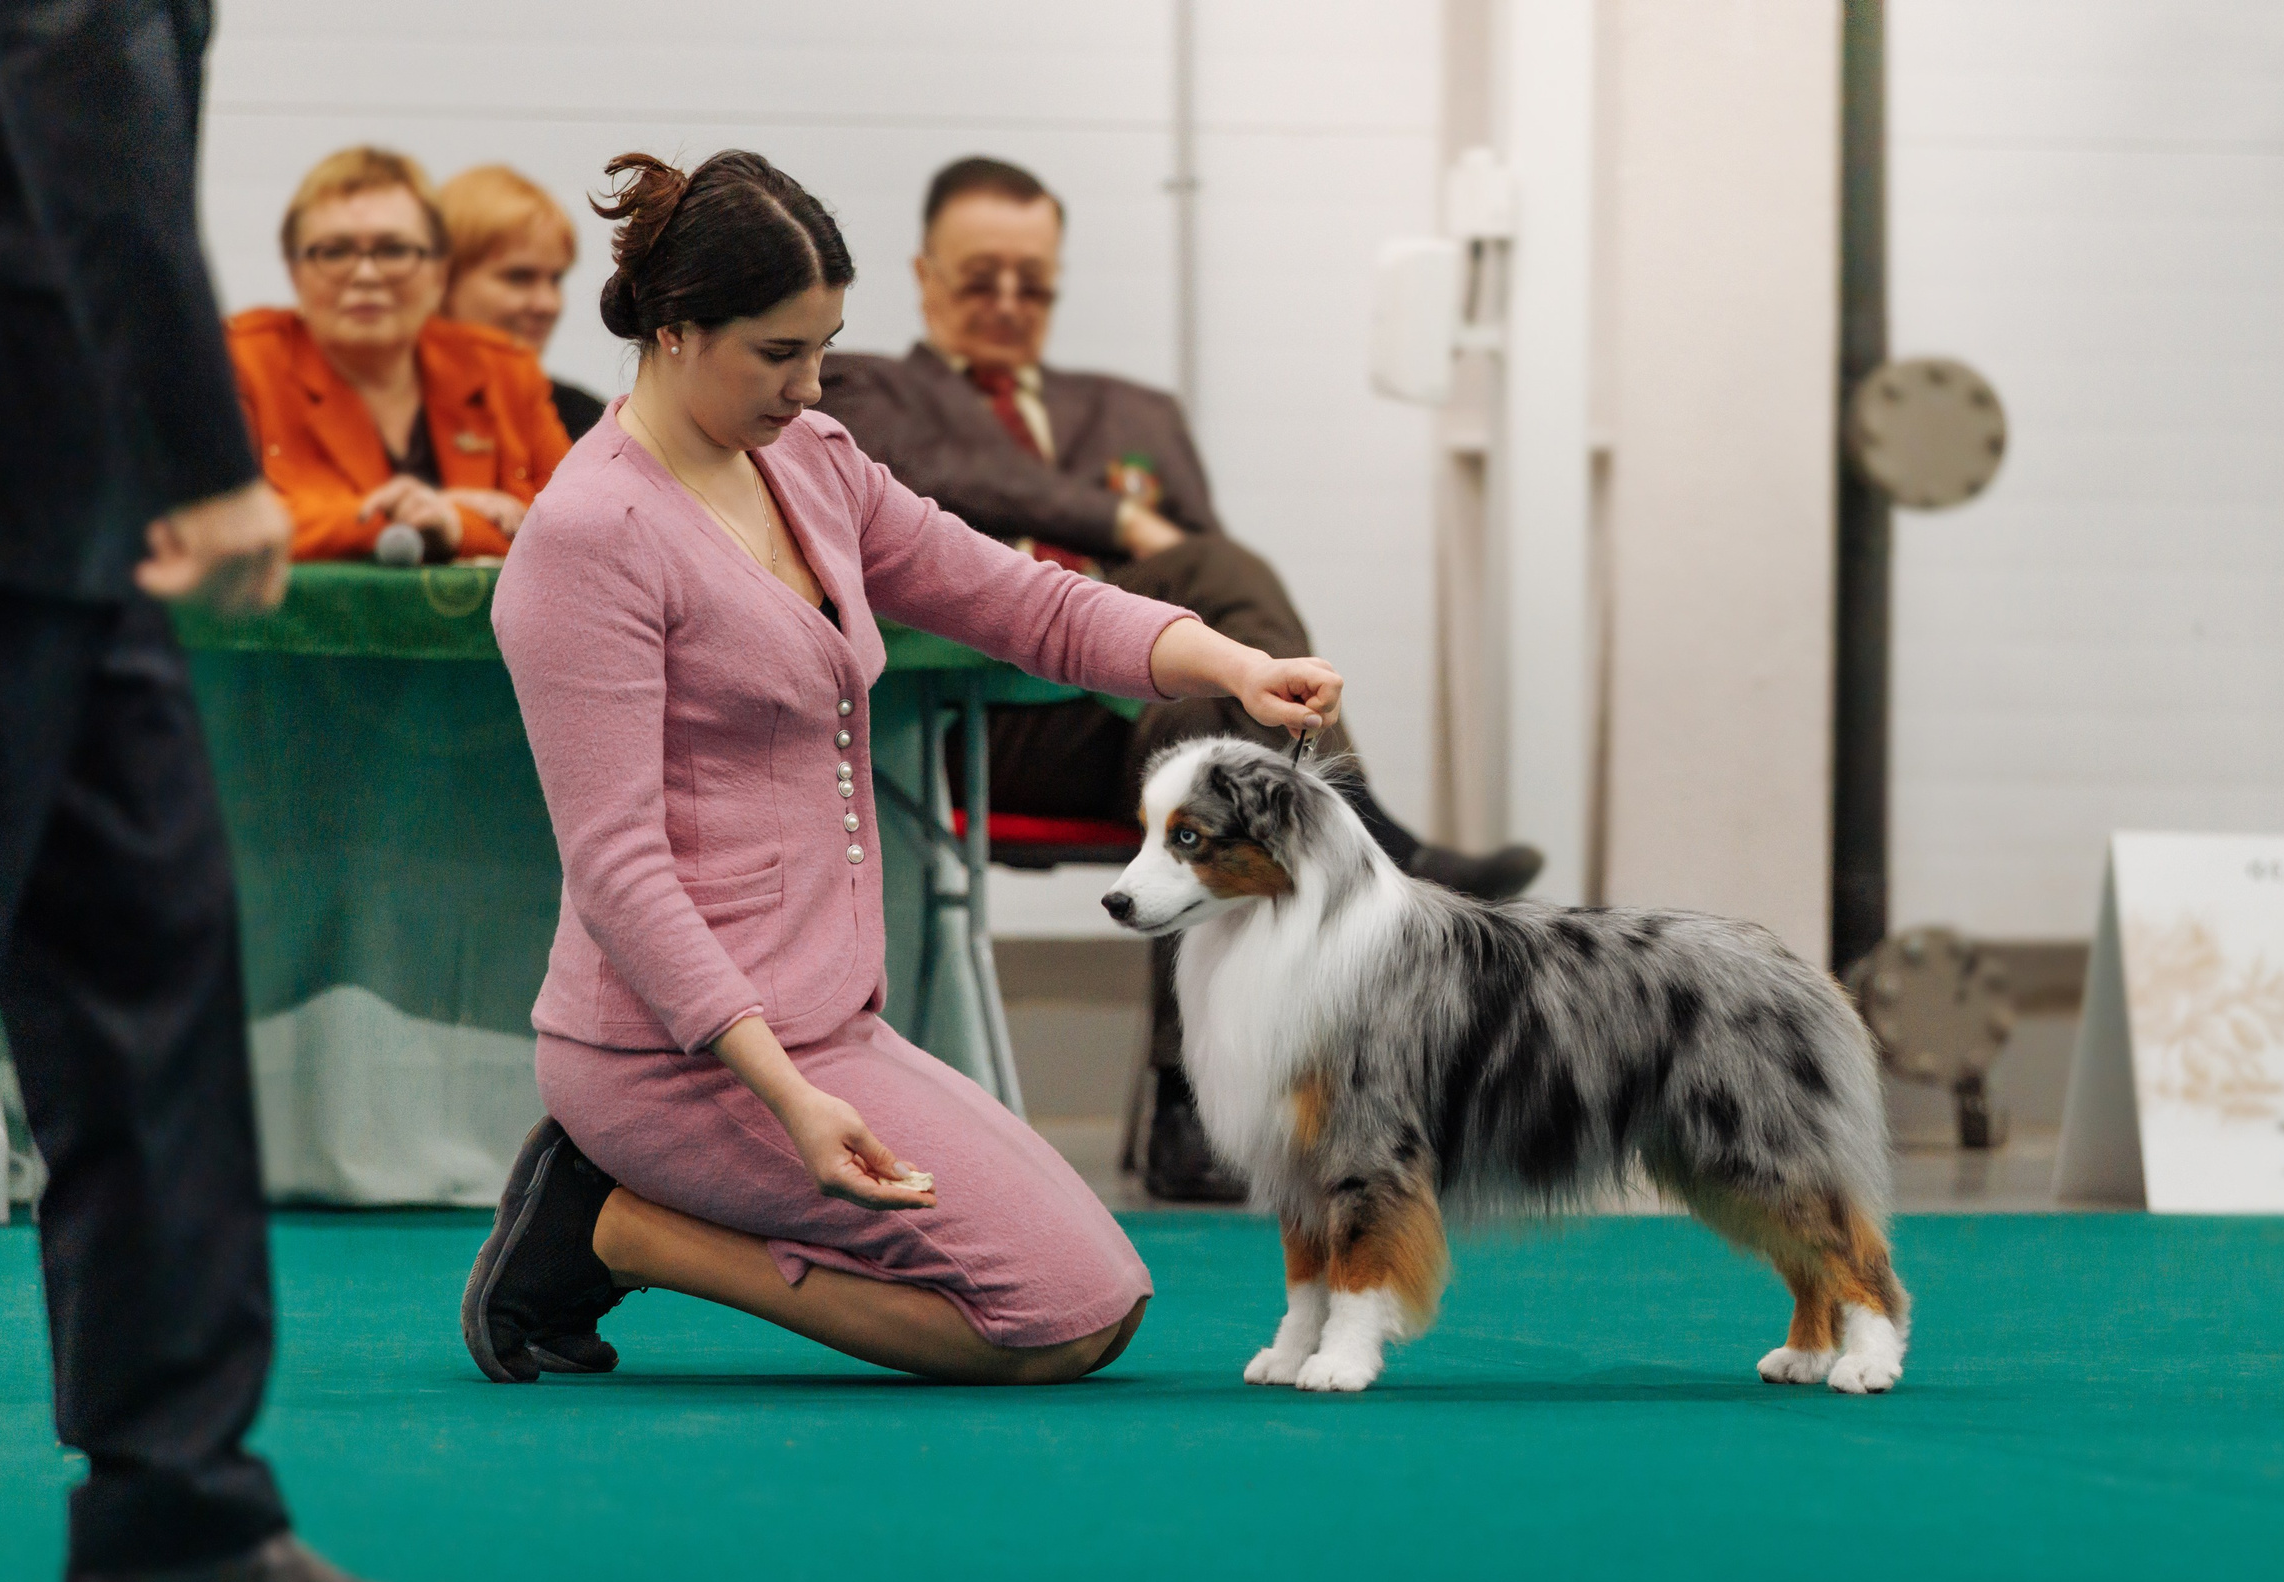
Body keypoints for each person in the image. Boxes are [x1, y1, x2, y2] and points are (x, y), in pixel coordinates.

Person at [462, 150, 1342, 1386]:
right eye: (778, 353)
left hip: (831, 1023)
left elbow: (1026, 603)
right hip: (677, 1054)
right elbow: (617, 872)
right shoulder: (586, 536)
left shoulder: (811, 459)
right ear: (674, 331)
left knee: (1109, 1297)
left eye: (823, 347)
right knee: (1051, 1327)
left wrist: (1230, 665)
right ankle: (613, 1226)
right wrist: (783, 1094)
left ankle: (618, 1209)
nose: (810, 385)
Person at [0, 0, 484, 1582]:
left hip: (40, 443)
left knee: (147, 967)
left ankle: (176, 1508)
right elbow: (77, 72)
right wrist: (202, 452)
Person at [816, 156, 1542, 1201]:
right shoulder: (866, 388)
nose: (1009, 301)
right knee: (1217, 596)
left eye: (1034, 281)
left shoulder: (1137, 411)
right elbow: (937, 484)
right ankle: (1363, 836)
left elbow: (1216, 604)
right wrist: (1120, 521)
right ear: (925, 276)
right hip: (984, 729)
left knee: (1208, 728)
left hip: (1140, 720)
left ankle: (1191, 1112)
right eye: (980, 278)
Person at [228, 147, 570, 562]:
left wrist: (454, 522)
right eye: (334, 252)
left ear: (440, 271)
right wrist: (412, 519)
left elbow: (577, 530)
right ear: (295, 271)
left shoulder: (505, 371)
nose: (366, 274)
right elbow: (218, 523)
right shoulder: (241, 362)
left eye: (394, 251)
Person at [437, 164, 609, 443]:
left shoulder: (587, 425)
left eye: (555, 279)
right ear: (441, 281)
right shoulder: (388, 415)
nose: (548, 304)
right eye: (518, 277)